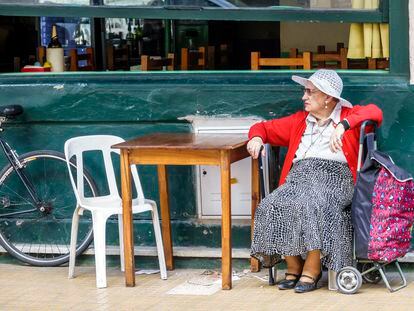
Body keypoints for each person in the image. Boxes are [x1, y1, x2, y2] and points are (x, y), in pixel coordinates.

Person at [247, 69, 383, 293]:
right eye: (305, 91)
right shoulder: (300, 121)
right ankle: (294, 266)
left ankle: (312, 268)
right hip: (299, 177)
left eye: (310, 92)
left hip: (335, 179)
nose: (304, 97)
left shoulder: (348, 115)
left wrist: (343, 125)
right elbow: (263, 127)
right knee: (271, 204)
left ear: (328, 97)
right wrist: (256, 137)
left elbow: (375, 112)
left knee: (313, 204)